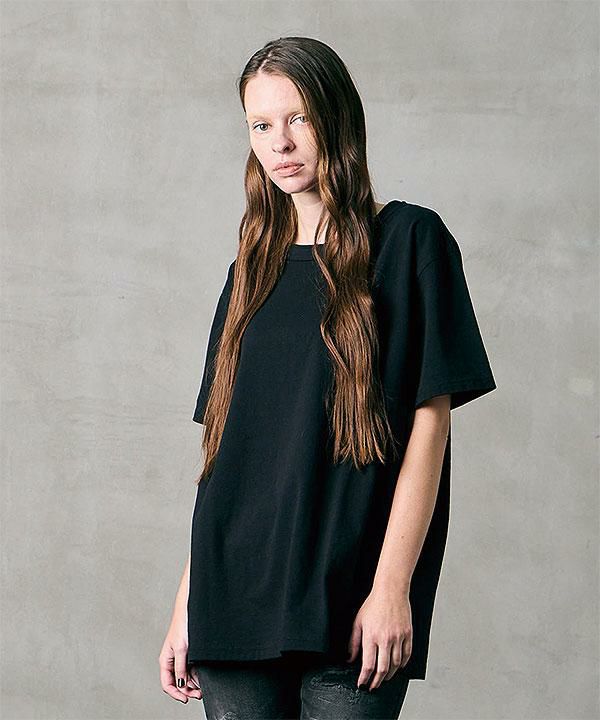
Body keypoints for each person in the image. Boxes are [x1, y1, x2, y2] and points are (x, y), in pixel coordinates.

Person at [159, 36, 497, 719]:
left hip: (354, 593)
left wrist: (393, 586)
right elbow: (226, 455)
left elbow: (429, 426)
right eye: (261, 125)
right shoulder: (248, 274)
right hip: (234, 597)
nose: (280, 143)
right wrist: (187, 604)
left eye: (298, 118)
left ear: (337, 117)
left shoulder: (410, 241)